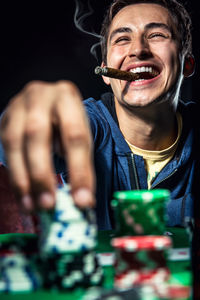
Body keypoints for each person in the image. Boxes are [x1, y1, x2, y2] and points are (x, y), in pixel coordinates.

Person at [0, 0, 197, 231]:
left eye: (156, 35)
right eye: (122, 39)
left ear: (187, 64)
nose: (138, 50)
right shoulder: (87, 123)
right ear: (106, 72)